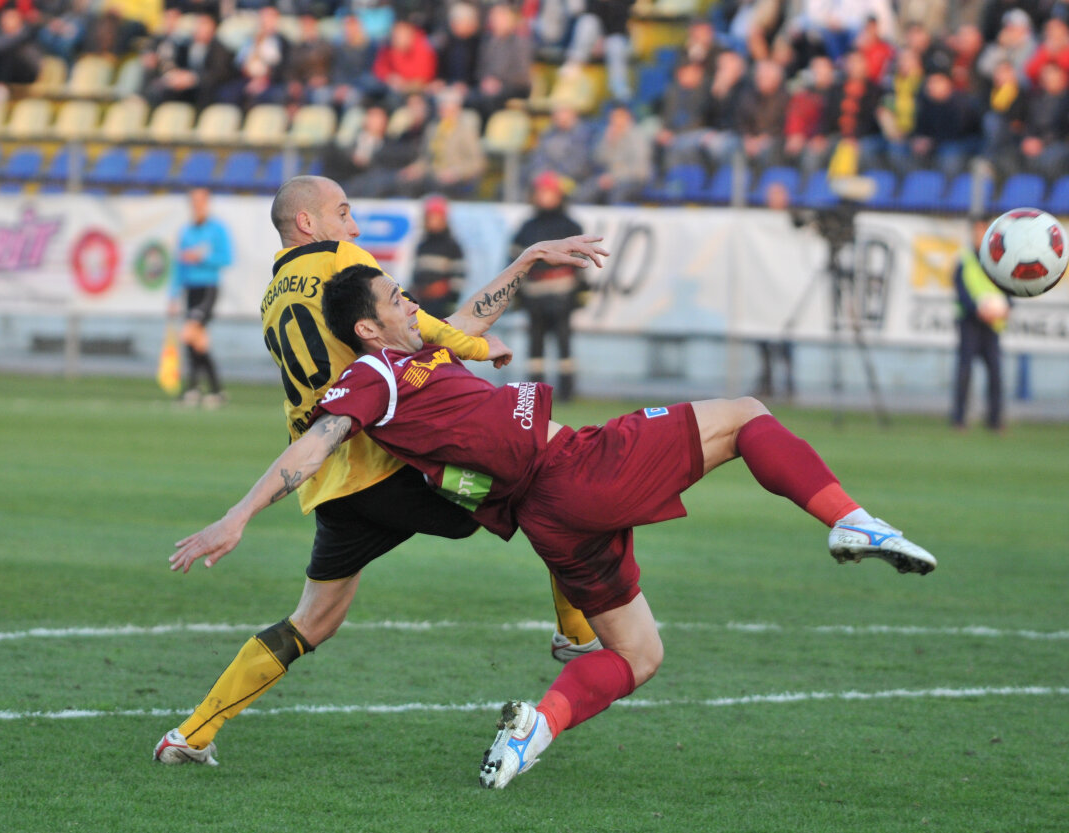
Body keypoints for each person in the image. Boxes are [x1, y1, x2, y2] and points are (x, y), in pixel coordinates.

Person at [165, 263, 937, 788]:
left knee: (639, 653)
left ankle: (538, 725)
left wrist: (529, 259)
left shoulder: (417, 353)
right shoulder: (373, 376)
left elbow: (466, 317)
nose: (410, 303)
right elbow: (318, 439)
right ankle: (853, 522)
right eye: (396, 298)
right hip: (576, 468)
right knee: (747, 416)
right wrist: (238, 514)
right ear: (369, 330)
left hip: (553, 520)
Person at [153, 175, 608, 766]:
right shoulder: (340, 262)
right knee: (541, 484)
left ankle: (190, 734)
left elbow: (419, 333)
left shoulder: (274, 295)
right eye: (344, 212)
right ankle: (575, 635)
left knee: (313, 620)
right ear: (309, 225)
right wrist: (474, 348)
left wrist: (522, 262)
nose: (356, 227)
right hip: (392, 461)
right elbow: (431, 331)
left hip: (332, 482)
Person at [511, 171, 586, 400]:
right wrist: (515, 293)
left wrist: (581, 291)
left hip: (563, 294)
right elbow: (514, 263)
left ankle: (566, 391)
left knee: (564, 343)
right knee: (535, 345)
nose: (544, 198)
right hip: (534, 295)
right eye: (541, 193)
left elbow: (581, 263)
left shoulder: (570, 225)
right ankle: (534, 393)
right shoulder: (527, 227)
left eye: (549, 193)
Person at [169, 187, 233, 409]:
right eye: (193, 201)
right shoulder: (186, 231)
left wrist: (202, 257)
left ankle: (194, 388)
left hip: (208, 289)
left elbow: (226, 258)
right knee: (198, 341)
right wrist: (173, 295)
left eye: (200, 201)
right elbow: (179, 265)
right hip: (191, 290)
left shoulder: (217, 230)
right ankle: (212, 390)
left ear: (207, 203)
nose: (196, 205)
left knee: (189, 334)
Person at [951, 214, 1010, 431]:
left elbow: (1010, 288)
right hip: (970, 322)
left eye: (983, 230)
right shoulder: (964, 259)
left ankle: (995, 421)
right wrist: (977, 309)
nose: (979, 235)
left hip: (992, 324)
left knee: (995, 372)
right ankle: (958, 419)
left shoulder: (1001, 260)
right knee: (964, 370)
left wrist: (1007, 309)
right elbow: (960, 291)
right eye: (976, 231)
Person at [410, 195, 466, 320]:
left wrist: (442, 291)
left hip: (443, 309)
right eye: (429, 217)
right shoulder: (422, 245)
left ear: (444, 219)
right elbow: (416, 274)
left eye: (436, 217)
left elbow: (458, 280)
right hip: (423, 306)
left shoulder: (452, 246)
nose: (432, 221)